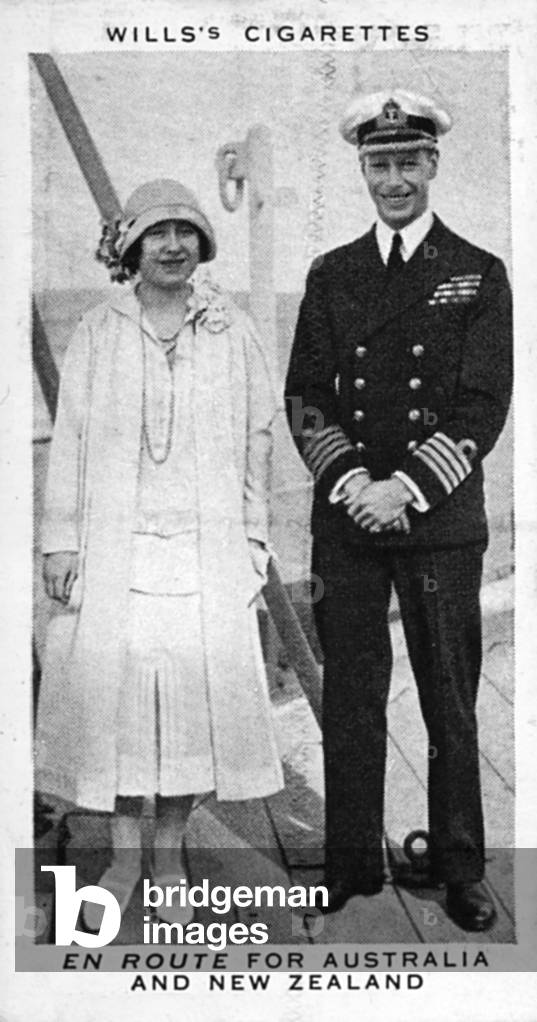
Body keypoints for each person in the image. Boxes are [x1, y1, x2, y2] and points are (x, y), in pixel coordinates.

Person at [285, 91, 512, 931]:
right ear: (362, 171)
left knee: (448, 695)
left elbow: (482, 405)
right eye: (378, 164)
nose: (393, 178)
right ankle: (350, 866)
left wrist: (403, 487)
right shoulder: (331, 273)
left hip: (438, 519)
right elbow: (306, 396)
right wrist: (352, 482)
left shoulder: (477, 272)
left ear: (431, 166)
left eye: (406, 162)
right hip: (348, 520)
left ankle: (458, 867)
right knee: (351, 692)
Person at [36, 179, 283, 929]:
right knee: (112, 704)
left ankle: (169, 853)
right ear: (133, 247)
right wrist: (60, 541)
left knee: (187, 711)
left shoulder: (229, 328)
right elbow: (72, 439)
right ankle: (119, 856)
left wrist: (251, 537)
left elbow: (256, 438)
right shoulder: (99, 330)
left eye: (186, 231)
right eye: (156, 233)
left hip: (204, 557)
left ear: (202, 245)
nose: (172, 245)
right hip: (117, 553)